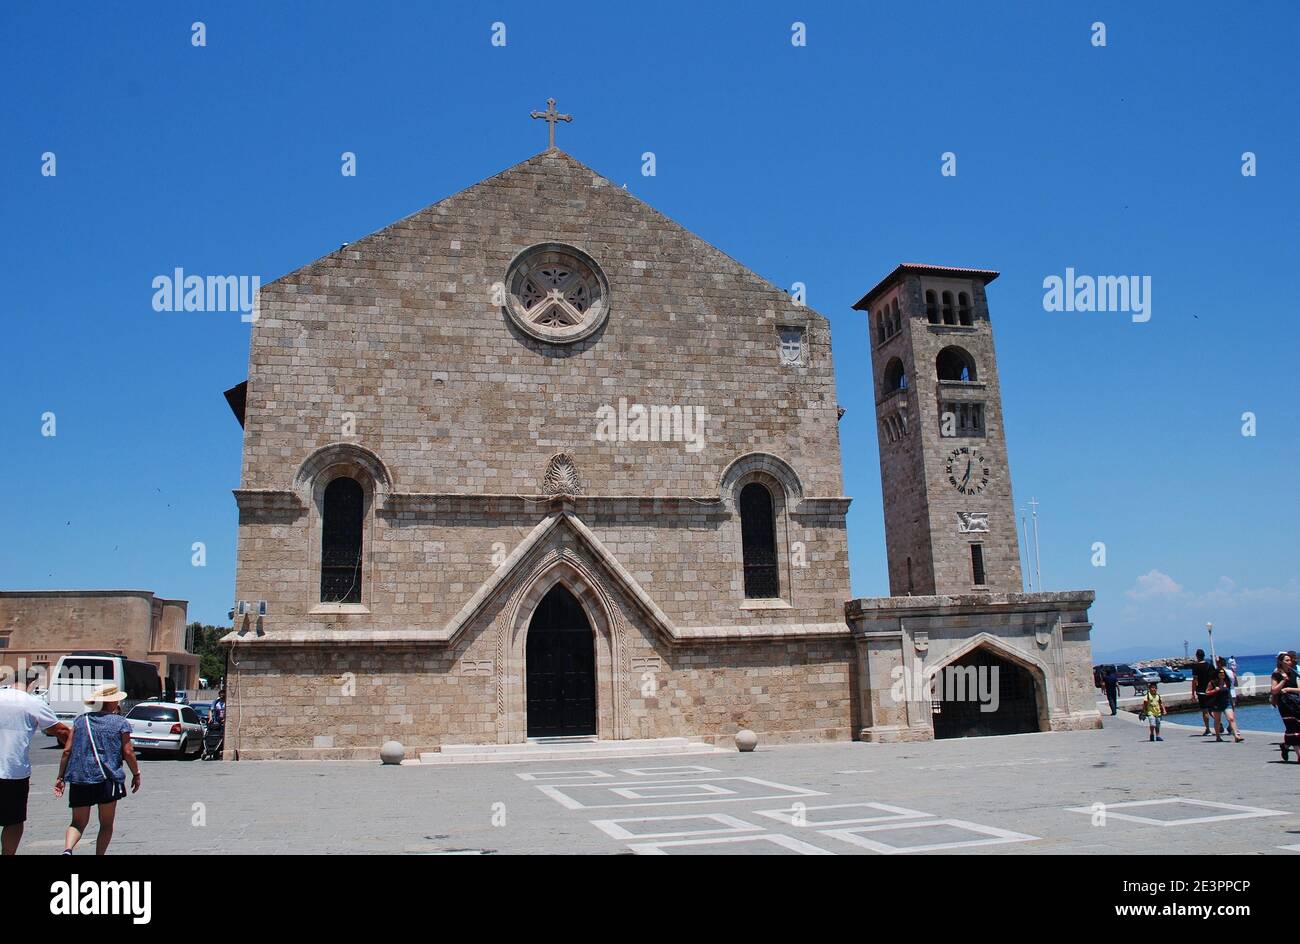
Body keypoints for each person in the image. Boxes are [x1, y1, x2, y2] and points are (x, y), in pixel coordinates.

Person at [54, 683, 141, 855]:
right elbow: (128, 751)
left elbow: (67, 751)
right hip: (107, 779)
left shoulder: (80, 720)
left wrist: (61, 777)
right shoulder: (120, 722)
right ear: (112, 702)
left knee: (77, 822)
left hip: (80, 778)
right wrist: (136, 773)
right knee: (106, 824)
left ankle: (67, 850)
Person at [0, 673, 69, 855]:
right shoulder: (33, 702)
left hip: (12, 770)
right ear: (31, 684)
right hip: (13, 771)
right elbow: (60, 730)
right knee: (13, 820)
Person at [1271, 652, 1300, 759]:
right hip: (1284, 705)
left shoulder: (1294, 673)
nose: (1289, 662)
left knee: (1296, 728)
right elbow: (1274, 690)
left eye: (1290, 660)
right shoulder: (1276, 674)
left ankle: (1285, 745)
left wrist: (1289, 689)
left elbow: (1299, 689)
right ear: (1280, 662)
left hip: (1296, 704)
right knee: (1293, 728)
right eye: (1286, 660)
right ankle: (1298, 755)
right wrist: (1283, 681)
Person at [1206, 667, 1243, 743]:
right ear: (1217, 674)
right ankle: (1218, 736)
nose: (1222, 674)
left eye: (1223, 673)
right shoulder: (1212, 682)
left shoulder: (1227, 682)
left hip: (1226, 703)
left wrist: (1232, 703)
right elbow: (1207, 692)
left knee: (1231, 718)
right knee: (1218, 720)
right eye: (1220, 673)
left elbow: (1228, 692)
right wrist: (1214, 690)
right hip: (1217, 703)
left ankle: (1236, 735)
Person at [1190, 649, 1216, 736]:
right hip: (1211, 690)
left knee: (1205, 710)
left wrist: (1193, 693)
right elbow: (1214, 679)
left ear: (1197, 656)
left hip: (1201, 691)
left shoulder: (1196, 667)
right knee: (1211, 709)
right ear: (1204, 655)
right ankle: (1218, 723)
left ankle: (1208, 729)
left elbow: (1194, 681)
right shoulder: (1210, 665)